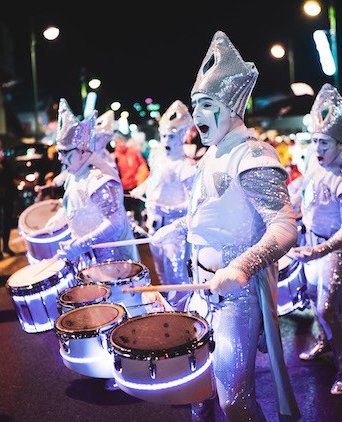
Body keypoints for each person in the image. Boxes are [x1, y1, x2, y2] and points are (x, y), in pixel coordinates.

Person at [152, 30, 299, 421]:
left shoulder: (253, 154)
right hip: (200, 291)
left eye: (205, 104)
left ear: (231, 104)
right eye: (195, 105)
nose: (196, 115)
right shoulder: (209, 157)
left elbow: (285, 227)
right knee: (197, 391)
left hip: (237, 297)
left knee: (234, 399)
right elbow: (209, 218)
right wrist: (177, 230)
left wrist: (241, 267)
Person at [287, 83, 342, 395]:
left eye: (324, 143)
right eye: (314, 141)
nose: (317, 148)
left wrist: (319, 249)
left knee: (325, 308)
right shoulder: (313, 161)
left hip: (336, 247)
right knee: (311, 297)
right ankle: (323, 342)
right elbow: (305, 195)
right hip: (311, 241)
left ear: (339, 142)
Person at [50, 99, 140, 265]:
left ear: (83, 151)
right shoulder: (73, 175)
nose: (59, 158)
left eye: (64, 152)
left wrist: (80, 244)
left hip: (112, 263)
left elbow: (115, 223)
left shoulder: (100, 180)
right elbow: (76, 208)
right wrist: (56, 223)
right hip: (87, 259)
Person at [130, 99, 197, 310]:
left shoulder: (186, 167)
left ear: (182, 137)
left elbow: (195, 204)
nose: (167, 139)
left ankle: (184, 314)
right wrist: (141, 190)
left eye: (172, 136)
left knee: (178, 277)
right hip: (155, 226)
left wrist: (169, 209)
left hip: (174, 230)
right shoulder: (159, 160)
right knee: (161, 274)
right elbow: (154, 180)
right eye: (165, 135)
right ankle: (172, 310)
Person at [111, 132, 150, 225]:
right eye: (117, 142)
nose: (120, 144)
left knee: (138, 211)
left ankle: (140, 227)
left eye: (121, 141)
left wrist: (140, 179)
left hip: (135, 186)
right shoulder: (114, 157)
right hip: (123, 189)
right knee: (125, 212)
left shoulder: (133, 152)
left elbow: (142, 165)